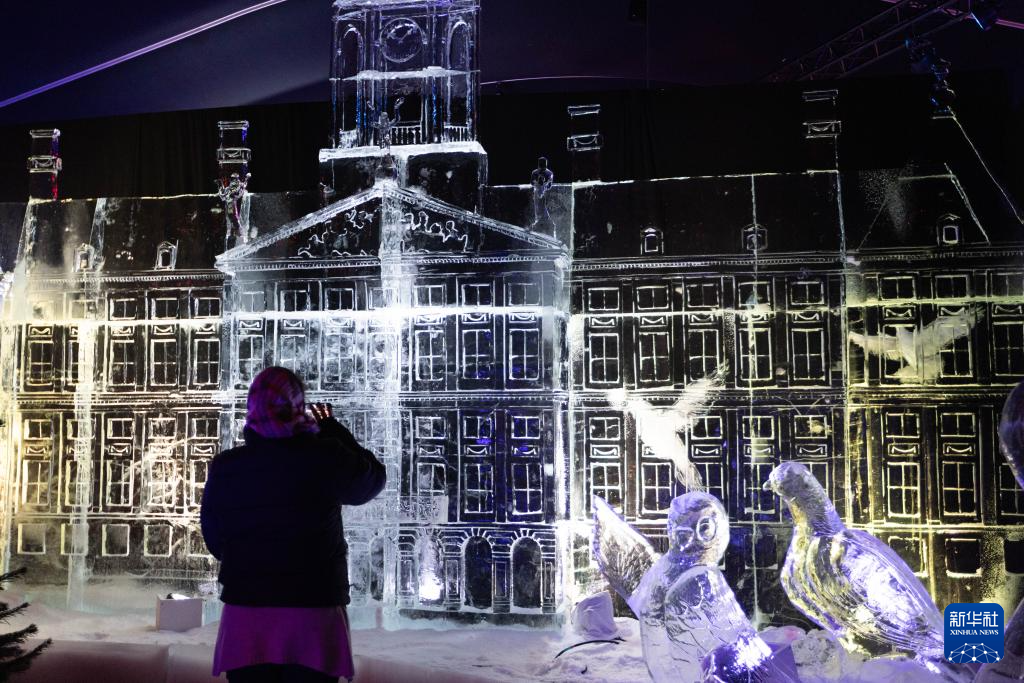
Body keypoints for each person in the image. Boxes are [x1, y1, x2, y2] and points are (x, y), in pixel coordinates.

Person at [201, 366, 386, 683]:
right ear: (298, 406)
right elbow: (373, 480)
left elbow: (215, 537)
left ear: (252, 408)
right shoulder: (325, 456)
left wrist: (247, 563)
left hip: (247, 612)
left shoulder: (227, 466)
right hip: (313, 611)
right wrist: (332, 428)